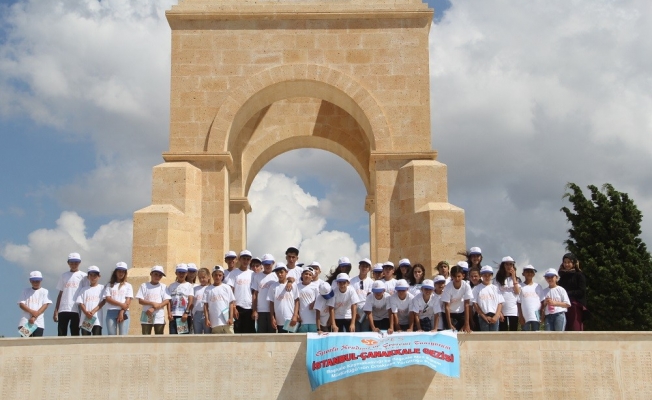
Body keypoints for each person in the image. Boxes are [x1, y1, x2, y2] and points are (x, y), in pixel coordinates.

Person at [54, 252, 88, 336]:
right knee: (61, 332)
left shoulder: (83, 276)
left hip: (77, 308)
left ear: (79, 262)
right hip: (63, 308)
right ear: (68, 263)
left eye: (76, 262)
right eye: (71, 262)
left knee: (75, 331)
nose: (74, 264)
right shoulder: (64, 276)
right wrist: (56, 310)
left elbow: (86, 293)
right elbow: (60, 293)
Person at [226, 250, 256, 333]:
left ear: (250, 260)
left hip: (249, 308)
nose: (245, 261)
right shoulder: (234, 273)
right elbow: (230, 291)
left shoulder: (252, 274)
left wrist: (254, 310)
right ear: (239, 259)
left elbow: (254, 293)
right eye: (244, 259)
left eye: (247, 259)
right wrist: (234, 307)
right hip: (237, 307)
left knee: (249, 333)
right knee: (237, 332)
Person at [136, 266, 171, 335]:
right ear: (151, 274)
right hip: (146, 314)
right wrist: (152, 303)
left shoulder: (163, 287)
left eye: (160, 275)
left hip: (159, 316)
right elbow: (140, 300)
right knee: (146, 336)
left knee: (159, 336)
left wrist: (154, 308)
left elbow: (166, 300)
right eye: (156, 274)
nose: (157, 277)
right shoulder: (144, 285)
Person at [557, 253, 587, 331]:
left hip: (575, 305)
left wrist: (567, 294)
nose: (566, 264)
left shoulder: (579, 275)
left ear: (573, 263)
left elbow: (581, 291)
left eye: (569, 262)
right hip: (563, 306)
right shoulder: (562, 277)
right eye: (565, 262)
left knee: (575, 327)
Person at [18, 271, 52, 337]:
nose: (35, 283)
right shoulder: (25, 291)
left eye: (37, 281)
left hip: (38, 323)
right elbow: (21, 304)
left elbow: (45, 305)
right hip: (25, 322)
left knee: (37, 343)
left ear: (41, 280)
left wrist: (34, 317)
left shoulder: (45, 291)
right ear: (30, 281)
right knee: (25, 343)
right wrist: (32, 311)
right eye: (33, 281)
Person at [267, 263, 299, 333]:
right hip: (279, 320)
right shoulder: (273, 286)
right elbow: (271, 303)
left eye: (281, 272)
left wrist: (295, 315)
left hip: (291, 319)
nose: (280, 274)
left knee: (292, 341)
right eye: (277, 273)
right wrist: (272, 318)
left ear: (286, 272)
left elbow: (296, 300)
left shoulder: (293, 285)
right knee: (282, 341)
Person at [103, 262, 133, 335]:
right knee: (111, 335)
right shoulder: (109, 285)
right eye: (119, 271)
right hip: (111, 312)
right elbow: (108, 299)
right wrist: (121, 304)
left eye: (123, 271)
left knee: (123, 335)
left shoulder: (128, 286)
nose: (121, 273)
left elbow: (128, 300)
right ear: (115, 272)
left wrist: (122, 311)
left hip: (124, 312)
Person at [204, 266, 235, 334]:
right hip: (215, 322)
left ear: (222, 276)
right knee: (217, 343)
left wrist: (231, 317)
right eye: (215, 275)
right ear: (212, 276)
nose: (217, 277)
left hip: (227, 321)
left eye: (219, 275)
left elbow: (231, 303)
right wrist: (207, 319)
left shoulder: (227, 287)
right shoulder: (208, 289)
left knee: (230, 341)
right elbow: (205, 306)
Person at [441, 265, 473, 332]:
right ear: (451, 276)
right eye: (454, 276)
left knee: (465, 331)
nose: (457, 278)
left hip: (461, 312)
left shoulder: (466, 286)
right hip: (449, 313)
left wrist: (466, 323)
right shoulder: (448, 287)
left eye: (459, 276)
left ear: (463, 276)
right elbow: (446, 306)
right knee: (451, 333)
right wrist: (449, 325)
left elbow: (467, 304)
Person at [471, 266, 504, 331]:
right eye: (485, 275)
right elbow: (475, 304)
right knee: (484, 337)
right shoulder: (476, 288)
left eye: (489, 275)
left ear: (491, 276)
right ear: (481, 276)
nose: (487, 277)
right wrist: (483, 316)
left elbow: (500, 303)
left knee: (494, 337)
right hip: (483, 316)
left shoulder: (495, 288)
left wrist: (497, 315)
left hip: (494, 315)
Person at [76, 265, 106, 336]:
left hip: (96, 318)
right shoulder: (84, 289)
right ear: (88, 277)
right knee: (86, 340)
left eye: (95, 275)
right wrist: (86, 313)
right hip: (87, 319)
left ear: (99, 276)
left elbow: (103, 301)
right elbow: (80, 303)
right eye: (91, 275)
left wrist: (93, 312)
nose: (93, 277)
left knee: (96, 339)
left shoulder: (102, 288)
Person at [252, 254, 278, 333]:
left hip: (274, 311)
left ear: (273, 263)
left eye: (269, 264)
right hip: (261, 310)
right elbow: (255, 294)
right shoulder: (257, 277)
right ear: (262, 264)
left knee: (272, 334)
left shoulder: (276, 276)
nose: (267, 266)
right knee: (261, 335)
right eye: (265, 264)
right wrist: (254, 310)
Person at [494, 256, 521, 331]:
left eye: (511, 264)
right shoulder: (497, 280)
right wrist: (499, 312)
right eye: (507, 264)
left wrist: (513, 278)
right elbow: (496, 295)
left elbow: (517, 292)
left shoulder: (517, 279)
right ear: (503, 266)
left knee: (513, 332)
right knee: (503, 332)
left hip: (513, 310)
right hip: (502, 310)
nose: (509, 266)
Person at [167, 264, 194, 334]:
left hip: (184, 316)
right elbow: (169, 301)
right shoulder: (171, 286)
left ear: (186, 273)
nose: (181, 274)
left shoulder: (189, 286)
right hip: (173, 316)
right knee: (173, 338)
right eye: (179, 272)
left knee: (183, 339)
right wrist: (169, 313)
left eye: (183, 272)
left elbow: (190, 300)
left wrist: (186, 313)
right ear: (176, 273)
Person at [350, 258, 373, 332]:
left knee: (365, 332)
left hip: (366, 310)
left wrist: (366, 312)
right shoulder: (352, 281)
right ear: (359, 267)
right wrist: (355, 312)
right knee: (355, 332)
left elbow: (370, 298)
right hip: (354, 310)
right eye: (362, 266)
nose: (364, 268)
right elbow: (350, 297)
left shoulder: (371, 282)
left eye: (366, 266)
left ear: (369, 269)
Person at [517, 265, 543, 331]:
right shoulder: (520, 286)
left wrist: (542, 315)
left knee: (536, 335)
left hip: (536, 315)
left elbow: (542, 301)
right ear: (523, 274)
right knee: (525, 337)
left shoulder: (538, 286)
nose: (529, 273)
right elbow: (519, 303)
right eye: (527, 272)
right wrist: (520, 316)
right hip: (525, 315)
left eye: (531, 272)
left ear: (534, 274)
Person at [297, 268, 319, 333]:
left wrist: (314, 302)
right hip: (302, 320)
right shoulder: (297, 286)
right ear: (302, 275)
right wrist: (296, 314)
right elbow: (295, 302)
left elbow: (319, 299)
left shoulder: (315, 287)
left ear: (312, 277)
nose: (307, 276)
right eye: (306, 274)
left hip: (313, 320)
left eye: (310, 275)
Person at [192, 267, 212, 334]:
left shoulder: (211, 288)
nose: (201, 279)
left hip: (208, 314)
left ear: (208, 276)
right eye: (200, 278)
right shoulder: (195, 289)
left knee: (207, 333)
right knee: (197, 333)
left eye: (203, 277)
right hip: (197, 314)